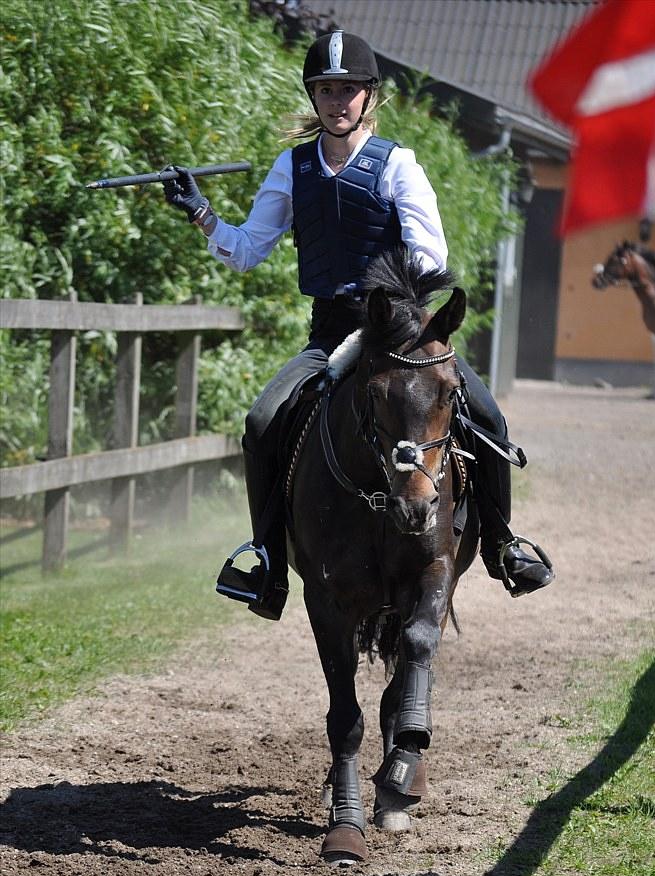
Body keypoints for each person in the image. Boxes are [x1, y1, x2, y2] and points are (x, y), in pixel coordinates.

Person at [163, 30, 554, 620]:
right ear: (313, 96)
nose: (336, 101)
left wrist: (385, 289)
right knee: (262, 420)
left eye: (347, 90)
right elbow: (247, 249)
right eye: (325, 89)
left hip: (399, 331)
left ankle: (502, 545)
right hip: (329, 335)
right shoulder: (292, 167)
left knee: (488, 415)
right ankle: (267, 563)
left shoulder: (398, 165)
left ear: (369, 96)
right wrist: (201, 212)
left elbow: (430, 258)